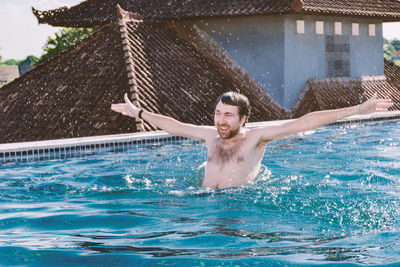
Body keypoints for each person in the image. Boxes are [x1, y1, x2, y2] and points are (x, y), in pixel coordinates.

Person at [111, 92, 393, 189]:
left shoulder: (256, 138)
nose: (221, 121)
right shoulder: (209, 136)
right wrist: (138, 111)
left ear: (243, 119)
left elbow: (306, 121)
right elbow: (174, 125)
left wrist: (357, 110)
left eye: (228, 116)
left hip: (240, 204)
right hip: (202, 201)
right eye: (218, 114)